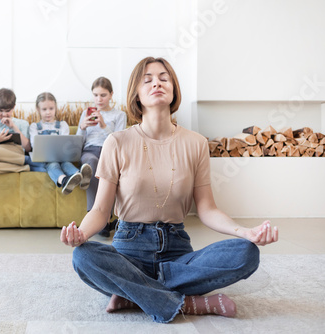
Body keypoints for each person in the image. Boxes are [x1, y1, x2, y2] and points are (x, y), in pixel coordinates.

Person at [60, 57, 279, 323]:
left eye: (164, 78)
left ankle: (135, 292)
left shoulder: (196, 143)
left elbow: (207, 209)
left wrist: (245, 232)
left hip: (177, 251)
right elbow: (101, 210)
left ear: (173, 89)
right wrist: (81, 234)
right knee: (83, 257)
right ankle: (186, 302)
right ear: (136, 94)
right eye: (148, 79)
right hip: (129, 250)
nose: (157, 83)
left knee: (247, 253)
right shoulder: (116, 142)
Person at [76, 77, 127, 234]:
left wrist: (104, 125)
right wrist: (82, 127)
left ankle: (102, 221)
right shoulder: (86, 113)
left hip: (108, 151)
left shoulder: (119, 115)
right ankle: (98, 219)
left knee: (105, 169)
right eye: (96, 95)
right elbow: (78, 141)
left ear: (111, 94)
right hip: (89, 151)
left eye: (103, 95)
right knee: (91, 163)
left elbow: (119, 141)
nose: (99, 99)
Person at [29, 92, 93, 195]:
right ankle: (64, 180)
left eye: (51, 108)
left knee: (66, 163)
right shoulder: (34, 127)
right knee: (53, 164)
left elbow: (66, 143)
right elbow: (34, 144)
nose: (48, 112)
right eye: (44, 109)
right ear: (38, 109)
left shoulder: (63, 125)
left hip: (61, 157)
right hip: (45, 160)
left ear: (56, 108)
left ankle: (79, 176)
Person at [0, 88, 33, 174]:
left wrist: (14, 127)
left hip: (15, 153)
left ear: (14, 107)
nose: (4, 114)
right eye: (0, 111)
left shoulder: (23, 123)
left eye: (8, 111)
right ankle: (25, 167)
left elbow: (28, 148)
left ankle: (24, 160)